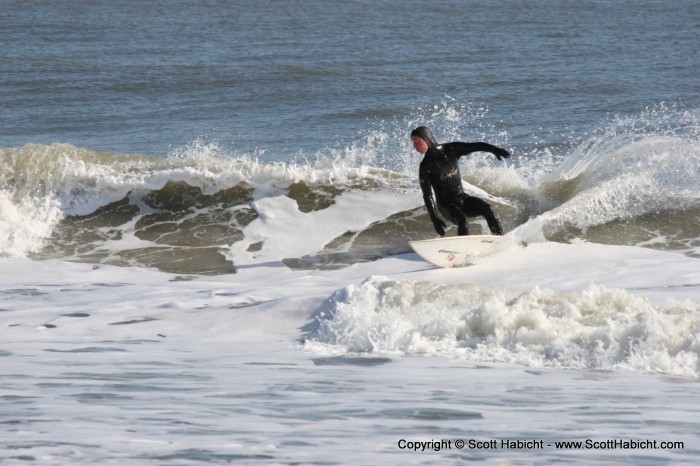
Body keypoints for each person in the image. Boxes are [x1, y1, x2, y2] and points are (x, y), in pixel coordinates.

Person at [410, 126, 510, 236]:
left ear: (426, 138)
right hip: (446, 205)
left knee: (487, 208)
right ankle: (463, 249)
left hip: (462, 198)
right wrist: (434, 219)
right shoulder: (425, 166)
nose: (414, 146)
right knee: (462, 220)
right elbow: (427, 195)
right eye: (413, 143)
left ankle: (498, 238)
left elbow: (476, 146)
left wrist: (494, 149)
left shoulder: (451, 149)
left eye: (416, 141)